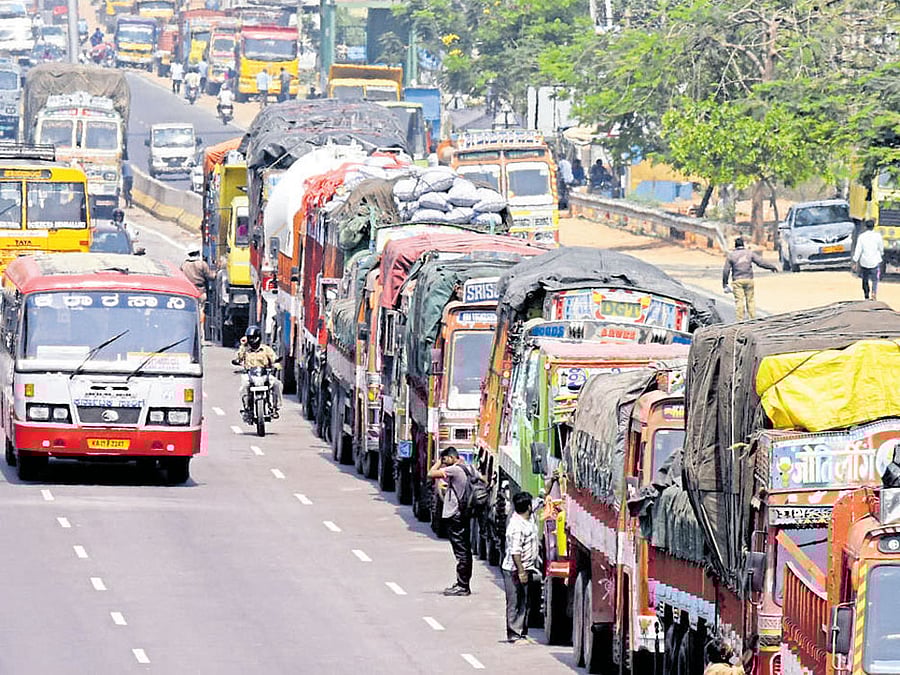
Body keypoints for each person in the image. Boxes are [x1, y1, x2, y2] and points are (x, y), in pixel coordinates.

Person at [427, 448, 478, 596]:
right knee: (465, 550)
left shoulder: (454, 470)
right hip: (464, 513)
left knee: (461, 552)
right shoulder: (469, 467)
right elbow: (483, 479)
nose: (444, 463)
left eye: (445, 460)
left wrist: (438, 462)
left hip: (455, 514)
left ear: (450, 457)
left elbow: (431, 474)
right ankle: (463, 583)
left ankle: (463, 586)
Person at [501, 491, 538, 643]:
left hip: (527, 567)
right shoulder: (517, 526)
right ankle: (513, 633)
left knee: (525, 600)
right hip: (514, 569)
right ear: (528, 507)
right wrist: (521, 571)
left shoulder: (529, 516)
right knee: (515, 600)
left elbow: (540, 500)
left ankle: (522, 631)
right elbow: (516, 552)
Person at [722, 237, 778, 321]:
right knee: (750, 300)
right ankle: (752, 319)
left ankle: (740, 320)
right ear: (743, 244)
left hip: (737, 281)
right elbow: (761, 262)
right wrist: (771, 267)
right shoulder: (749, 253)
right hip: (749, 280)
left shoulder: (731, 255)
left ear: (735, 246)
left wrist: (725, 283)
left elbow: (726, 270)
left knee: (739, 301)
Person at [232, 325, 282, 417]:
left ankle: (275, 407)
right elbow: (238, 358)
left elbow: (274, 359)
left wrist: (276, 365)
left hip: (264, 374)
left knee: (276, 384)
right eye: (249, 338)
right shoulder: (246, 350)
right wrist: (242, 345)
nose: (251, 340)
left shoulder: (266, 349)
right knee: (244, 386)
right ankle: (247, 407)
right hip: (250, 375)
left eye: (252, 338)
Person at [181, 249, 215, 328]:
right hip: (200, 292)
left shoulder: (184, 265)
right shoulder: (202, 264)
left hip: (188, 293)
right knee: (200, 311)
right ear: (198, 253)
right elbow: (211, 277)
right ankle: (200, 329)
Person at [852, 220, 885, 300]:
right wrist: (881, 254)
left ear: (865, 227)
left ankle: (866, 295)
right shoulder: (878, 236)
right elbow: (881, 248)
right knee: (875, 279)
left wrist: (855, 261)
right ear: (874, 226)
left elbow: (858, 250)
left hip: (864, 262)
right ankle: (874, 292)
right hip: (875, 261)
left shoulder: (861, 237)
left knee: (865, 279)